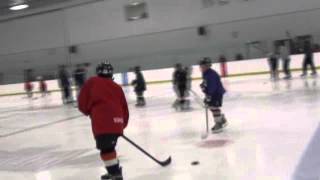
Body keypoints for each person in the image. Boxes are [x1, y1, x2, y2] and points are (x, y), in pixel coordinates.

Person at [78, 61, 129, 180]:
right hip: (118, 122)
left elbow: (82, 103)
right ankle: (114, 171)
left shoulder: (92, 82)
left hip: (102, 123)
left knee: (106, 150)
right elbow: (124, 109)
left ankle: (115, 174)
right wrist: (121, 126)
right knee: (109, 148)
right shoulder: (117, 87)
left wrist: (89, 112)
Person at [199, 57, 228, 133]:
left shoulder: (211, 74)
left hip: (216, 93)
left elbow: (212, 86)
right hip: (213, 93)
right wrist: (203, 85)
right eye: (201, 66)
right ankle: (221, 119)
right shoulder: (206, 73)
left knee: (214, 107)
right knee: (211, 107)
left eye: (202, 66)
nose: (201, 67)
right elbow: (207, 83)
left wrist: (209, 95)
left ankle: (219, 122)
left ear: (207, 66)